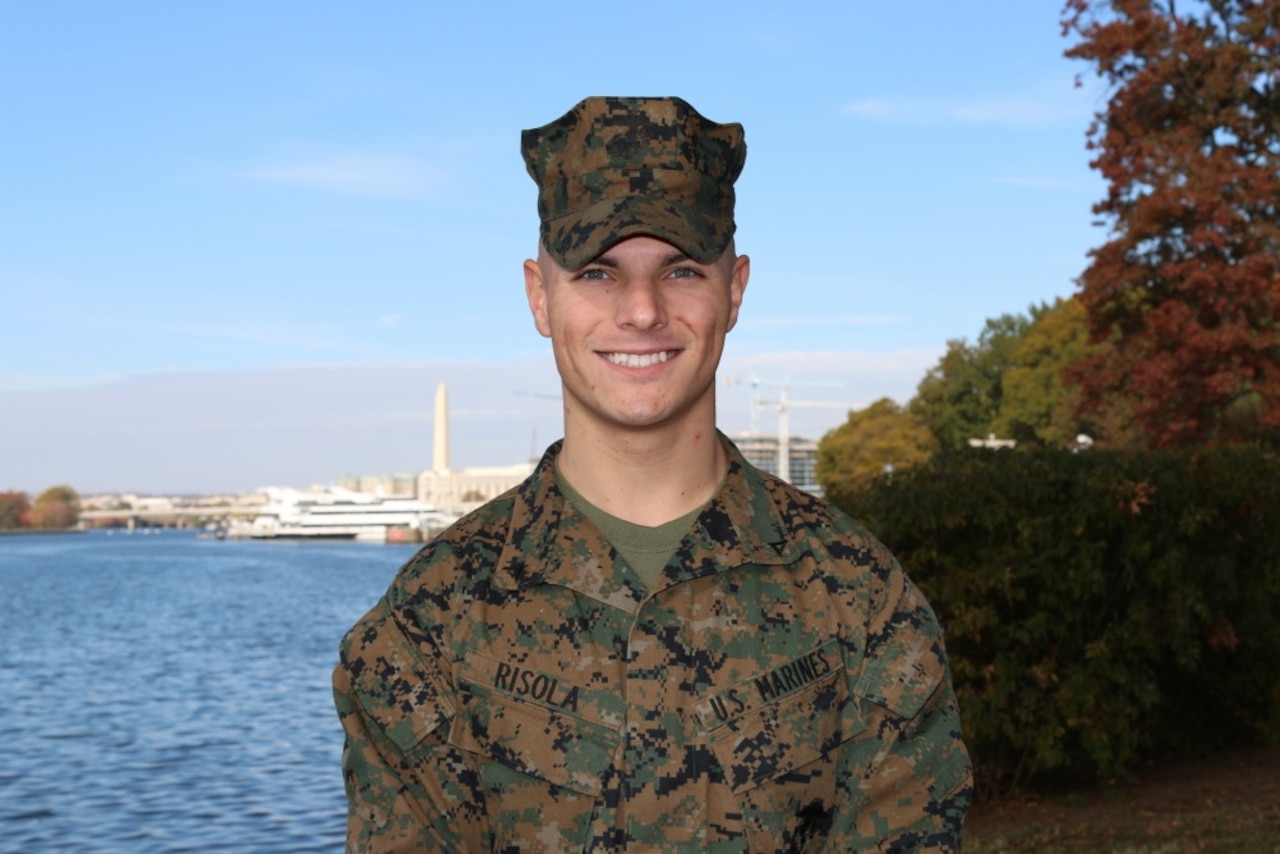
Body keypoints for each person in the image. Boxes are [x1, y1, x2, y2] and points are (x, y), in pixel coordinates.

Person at [333, 95, 972, 853]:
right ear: (541, 296)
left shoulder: (861, 600)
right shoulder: (429, 621)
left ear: (733, 290)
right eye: (598, 272)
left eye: (681, 270)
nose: (641, 311)